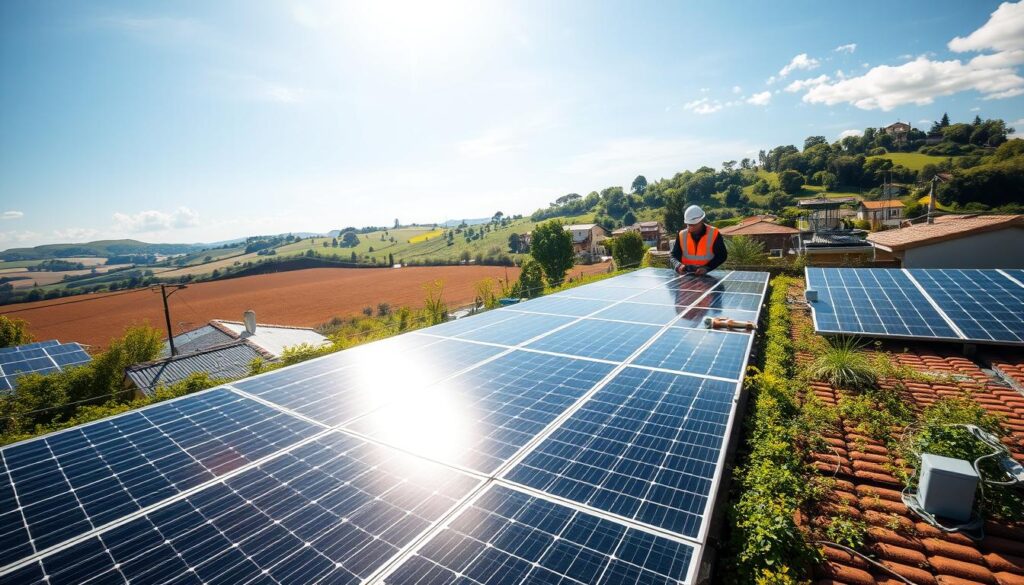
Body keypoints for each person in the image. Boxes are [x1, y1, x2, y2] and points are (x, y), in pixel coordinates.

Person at [670, 204, 727, 276]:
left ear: (701, 221)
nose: (690, 227)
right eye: (688, 224)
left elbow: (722, 255)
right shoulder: (682, 235)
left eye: (693, 225)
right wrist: (678, 266)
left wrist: (707, 268)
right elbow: (674, 255)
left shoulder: (714, 233)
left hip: (709, 277)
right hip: (686, 278)